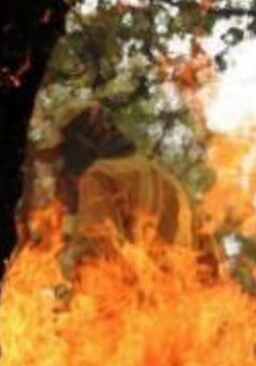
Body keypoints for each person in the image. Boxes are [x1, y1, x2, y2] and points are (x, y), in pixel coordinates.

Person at [33, 102, 199, 273]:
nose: (62, 173)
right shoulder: (174, 185)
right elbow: (209, 265)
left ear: (77, 149)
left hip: (128, 289)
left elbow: (95, 256)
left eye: (62, 157)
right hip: (179, 288)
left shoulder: (100, 177)